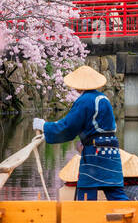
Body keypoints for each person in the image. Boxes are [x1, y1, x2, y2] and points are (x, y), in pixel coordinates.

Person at [33, 65, 128, 201]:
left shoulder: (84, 100)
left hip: (95, 153)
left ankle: (85, 219)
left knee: (86, 192)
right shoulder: (103, 98)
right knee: (115, 192)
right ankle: (131, 216)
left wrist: (44, 126)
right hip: (112, 152)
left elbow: (68, 127)